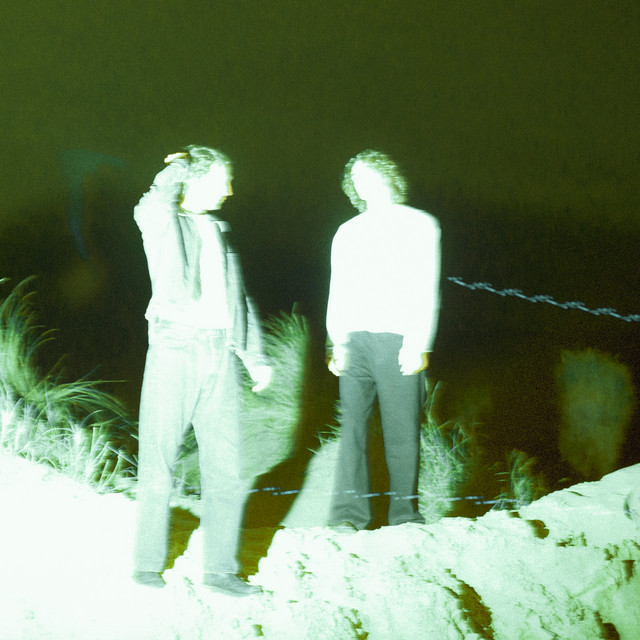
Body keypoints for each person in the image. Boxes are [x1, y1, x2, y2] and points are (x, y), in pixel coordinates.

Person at [132, 145, 271, 596]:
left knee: (226, 465)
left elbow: (239, 297)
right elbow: (154, 201)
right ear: (197, 179)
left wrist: (255, 356)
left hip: (220, 351)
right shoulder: (163, 222)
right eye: (222, 180)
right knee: (159, 459)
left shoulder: (219, 230)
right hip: (175, 347)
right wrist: (178, 166)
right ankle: (147, 564)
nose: (229, 190)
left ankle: (220, 572)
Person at [326, 149, 441, 531]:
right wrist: (336, 343)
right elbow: (338, 290)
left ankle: (405, 517)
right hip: (354, 341)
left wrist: (419, 342)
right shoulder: (347, 231)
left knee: (402, 432)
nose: (363, 183)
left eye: (369, 174)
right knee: (352, 432)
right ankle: (348, 516)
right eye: (356, 178)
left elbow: (427, 285)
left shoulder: (420, 224)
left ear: (388, 175)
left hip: (398, 340)